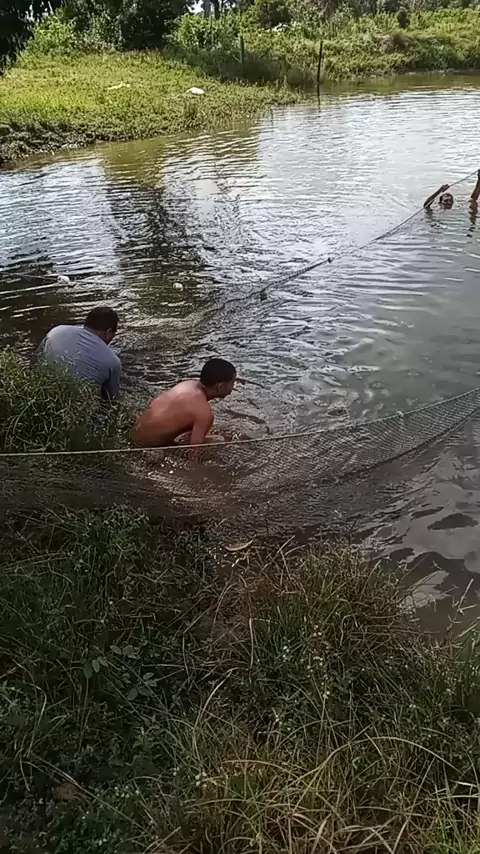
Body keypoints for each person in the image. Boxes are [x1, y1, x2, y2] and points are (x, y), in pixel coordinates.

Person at [133, 358, 237, 449]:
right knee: (219, 440)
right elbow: (194, 451)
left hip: (134, 432)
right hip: (147, 446)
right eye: (232, 382)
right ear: (220, 387)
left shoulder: (187, 384)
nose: (234, 386)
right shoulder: (204, 414)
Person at [40, 306, 121, 402]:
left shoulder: (57, 331)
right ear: (108, 332)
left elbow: (36, 360)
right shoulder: (113, 362)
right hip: (72, 405)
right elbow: (111, 400)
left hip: (41, 392)